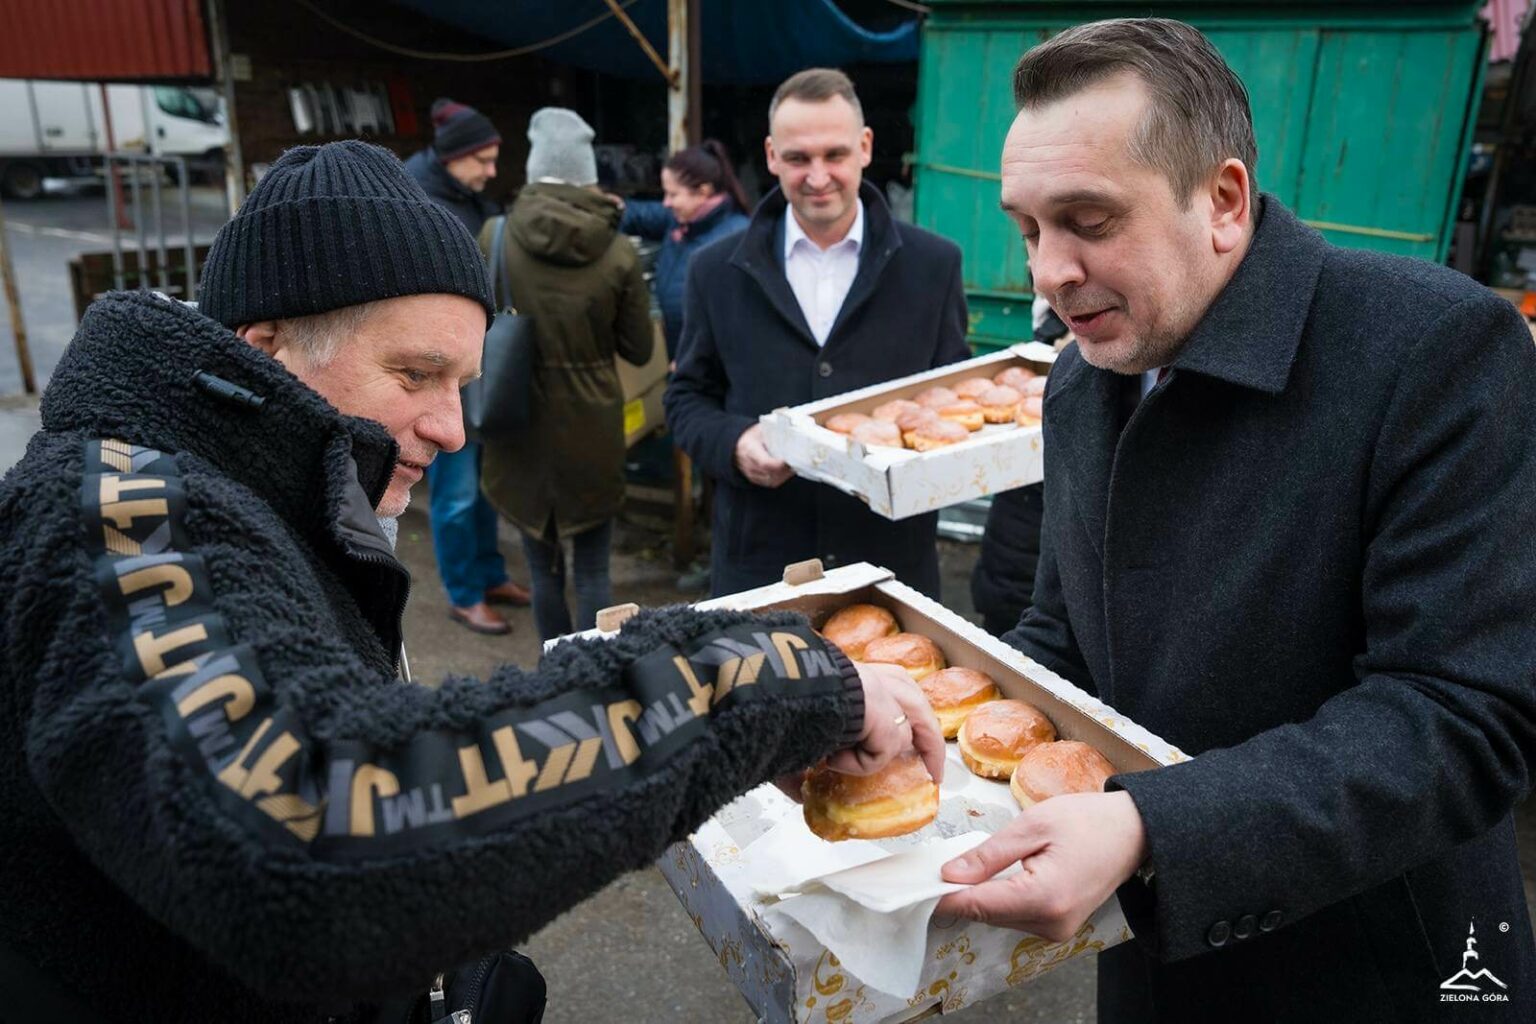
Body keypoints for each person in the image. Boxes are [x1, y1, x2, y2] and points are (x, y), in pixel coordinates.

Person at [0, 139, 944, 1023]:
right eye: (416, 375)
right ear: (265, 348)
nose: (453, 429)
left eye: (462, 382)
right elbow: (305, 838)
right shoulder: (114, 511)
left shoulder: (270, 495)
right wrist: (764, 678)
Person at [932, 19, 1536, 1022]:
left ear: (1221, 200)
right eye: (1029, 227)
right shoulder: (1081, 381)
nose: (1045, 272)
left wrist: (1149, 829)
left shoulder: (1437, 350)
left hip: (1379, 971)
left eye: (1088, 220)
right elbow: (1065, 637)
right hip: (1156, 955)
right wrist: (930, 707)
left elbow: (1463, 718)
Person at [666, 68, 971, 598]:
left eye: (835, 155)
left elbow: (952, 401)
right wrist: (735, 444)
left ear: (865, 147)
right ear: (770, 156)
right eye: (798, 158)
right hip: (761, 567)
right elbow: (686, 398)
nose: (818, 175)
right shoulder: (714, 270)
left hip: (890, 567)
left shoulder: (933, 265)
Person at [477, 107, 653, 642]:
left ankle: (556, 675)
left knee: (540, 567)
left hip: (516, 419)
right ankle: (594, 674)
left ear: (533, 167)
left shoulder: (495, 235)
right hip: (591, 424)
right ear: (587, 173)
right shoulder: (618, 250)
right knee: (595, 570)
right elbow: (640, 350)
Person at [405, 97, 531, 635]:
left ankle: (489, 573)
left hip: (473, 363)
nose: (491, 171)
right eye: (482, 159)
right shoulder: (421, 203)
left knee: (482, 484)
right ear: (454, 156)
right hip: (441, 372)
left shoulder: (465, 196)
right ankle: (463, 593)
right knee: (455, 491)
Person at [617, 138, 751, 360]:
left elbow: (741, 323)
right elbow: (639, 215)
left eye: (673, 194)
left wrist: (697, 362)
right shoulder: (683, 222)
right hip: (682, 358)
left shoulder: (735, 239)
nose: (666, 203)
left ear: (703, 192)